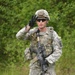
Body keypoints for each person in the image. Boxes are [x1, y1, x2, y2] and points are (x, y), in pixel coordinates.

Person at [16, 9, 62, 75]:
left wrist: (48, 60)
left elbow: (58, 51)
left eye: (43, 20)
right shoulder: (33, 32)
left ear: (47, 21)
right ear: (36, 21)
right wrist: (28, 27)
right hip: (34, 68)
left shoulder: (52, 34)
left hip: (48, 68)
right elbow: (19, 36)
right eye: (38, 20)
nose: (41, 22)